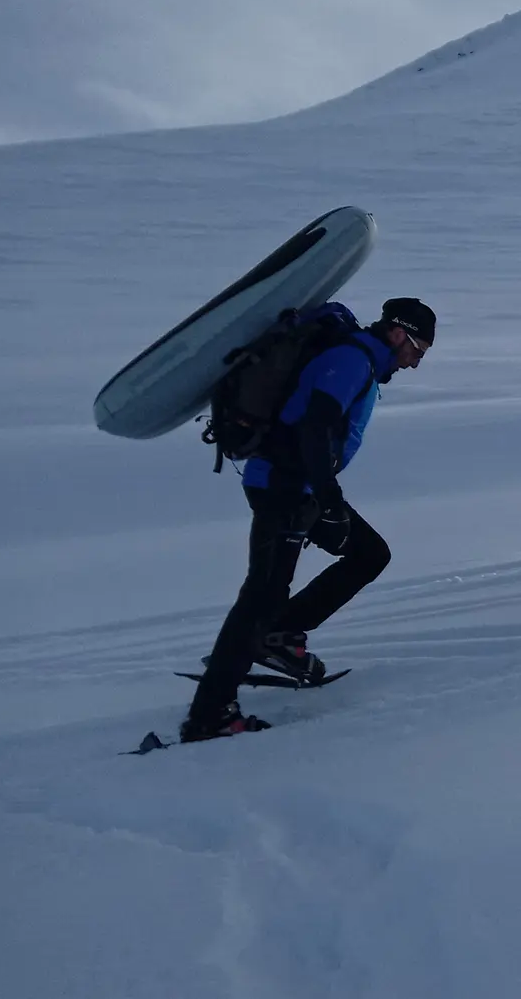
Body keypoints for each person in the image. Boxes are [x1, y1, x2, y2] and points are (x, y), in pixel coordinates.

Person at [180, 297, 436, 742]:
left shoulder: (362, 362)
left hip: (299, 487)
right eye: (418, 349)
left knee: (368, 554)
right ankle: (210, 715)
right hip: (283, 487)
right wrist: (330, 502)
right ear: (397, 333)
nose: (415, 363)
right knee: (260, 595)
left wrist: (325, 498)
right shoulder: (352, 359)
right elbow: (312, 427)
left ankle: (279, 635)